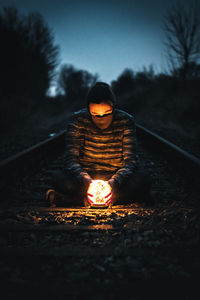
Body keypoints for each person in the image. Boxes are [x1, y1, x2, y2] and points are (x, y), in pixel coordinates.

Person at [46, 82, 155, 207]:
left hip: (117, 178)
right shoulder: (78, 120)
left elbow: (131, 161)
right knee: (59, 179)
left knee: (144, 179)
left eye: (106, 113)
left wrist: (113, 182)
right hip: (85, 179)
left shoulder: (125, 120)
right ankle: (117, 200)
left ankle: (78, 201)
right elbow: (71, 159)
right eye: (95, 115)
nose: (101, 118)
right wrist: (88, 181)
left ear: (113, 107)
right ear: (88, 109)